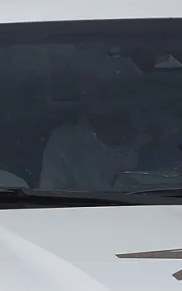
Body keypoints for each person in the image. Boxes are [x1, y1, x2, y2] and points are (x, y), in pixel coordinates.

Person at [39, 56, 151, 191]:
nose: (105, 95)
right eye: (96, 89)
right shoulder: (65, 144)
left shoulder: (163, 135)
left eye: (112, 86)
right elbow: (52, 202)